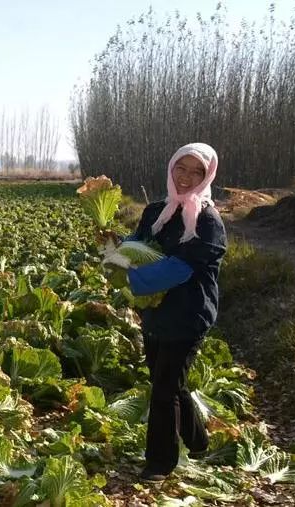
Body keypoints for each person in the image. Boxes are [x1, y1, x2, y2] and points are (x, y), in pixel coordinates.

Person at [118, 143, 227, 483]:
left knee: (164, 389)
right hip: (155, 314)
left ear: (207, 176)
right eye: (182, 168)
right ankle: (198, 439)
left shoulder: (208, 221)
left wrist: (132, 278)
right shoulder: (155, 212)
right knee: (169, 381)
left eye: (197, 171)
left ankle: (159, 464)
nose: (187, 177)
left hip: (189, 315)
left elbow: (180, 268)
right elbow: (138, 245)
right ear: (171, 168)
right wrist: (115, 247)